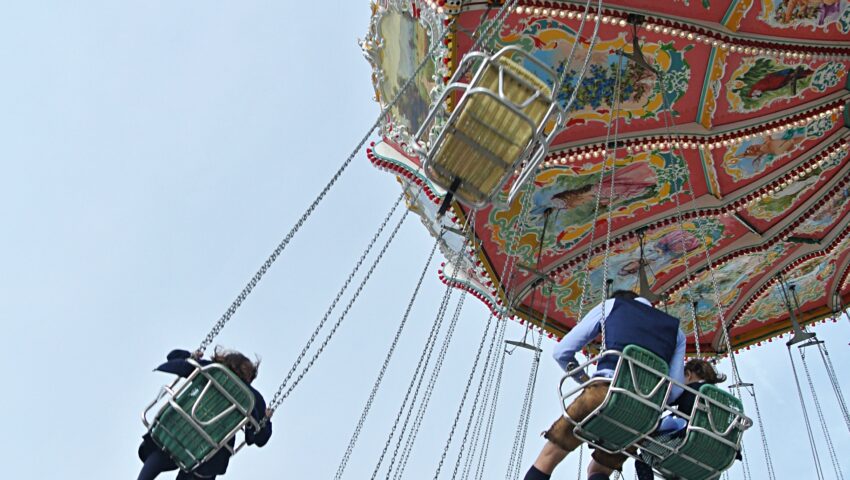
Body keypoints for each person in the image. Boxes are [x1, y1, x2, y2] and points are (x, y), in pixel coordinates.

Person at [523, 290, 686, 480]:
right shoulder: (677, 332)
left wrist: (584, 380)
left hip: (605, 392)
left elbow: (561, 352)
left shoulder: (612, 306)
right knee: (599, 470)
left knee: (550, 456)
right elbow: (675, 391)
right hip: (644, 413)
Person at [137, 347, 273, 480]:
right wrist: (266, 420)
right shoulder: (252, 398)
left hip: (176, 431)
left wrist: (192, 356)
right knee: (205, 464)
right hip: (207, 455)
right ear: (249, 377)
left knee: (164, 448)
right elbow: (260, 438)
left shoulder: (211, 368)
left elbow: (173, 357)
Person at [633, 359, 728, 480]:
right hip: (713, 458)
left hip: (687, 444)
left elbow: (667, 399)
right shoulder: (720, 399)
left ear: (688, 374)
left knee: (643, 453)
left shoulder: (690, 389)